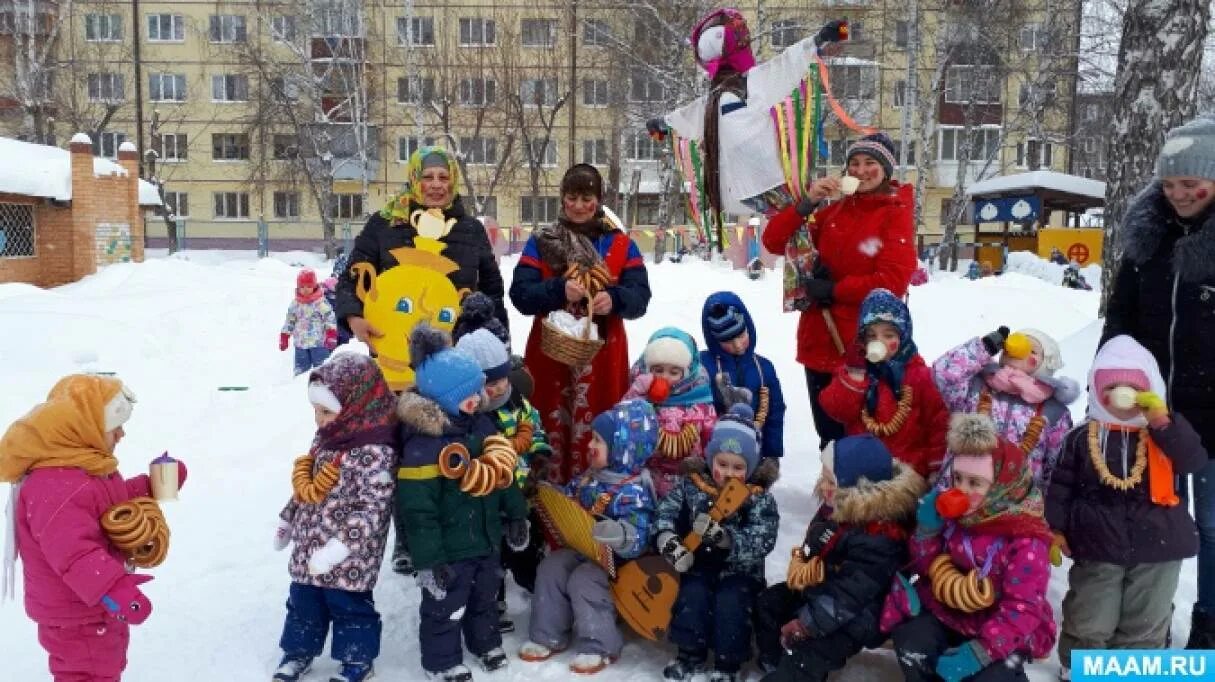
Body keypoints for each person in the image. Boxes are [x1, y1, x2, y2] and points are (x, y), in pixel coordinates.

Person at [1102, 114, 1215, 647]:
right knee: (1159, 526)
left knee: (1214, 528)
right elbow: (1121, 313)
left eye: (1191, 183)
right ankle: (1151, 629)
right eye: (1169, 184)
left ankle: (1210, 630)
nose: (1179, 195)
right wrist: (1113, 367)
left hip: (1214, 416)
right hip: (1154, 412)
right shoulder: (1148, 241)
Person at [0, 375, 188, 682]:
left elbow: (106, 506)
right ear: (84, 428)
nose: (122, 434)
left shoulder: (79, 470)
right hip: (78, 613)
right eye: (116, 427)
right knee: (89, 674)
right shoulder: (56, 485)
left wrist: (152, 485)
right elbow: (74, 552)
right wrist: (116, 590)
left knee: (104, 668)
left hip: (89, 606)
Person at [1047, 335, 1206, 680]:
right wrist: (1056, 529)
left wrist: (1162, 422)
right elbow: (1060, 487)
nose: (1122, 395)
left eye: (1133, 387)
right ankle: (1081, 667)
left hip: (1158, 545)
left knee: (1147, 615)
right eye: (1112, 386)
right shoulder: (1082, 436)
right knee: (1091, 611)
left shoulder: (1163, 432)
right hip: (1096, 544)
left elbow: (1193, 460)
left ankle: (1134, 671)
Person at [760, 132, 917, 452]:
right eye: (854, 163)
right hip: (819, 339)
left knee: (863, 432)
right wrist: (807, 202)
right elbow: (774, 242)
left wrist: (836, 290)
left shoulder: (895, 213)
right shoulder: (832, 213)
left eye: (870, 163)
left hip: (864, 345)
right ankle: (834, 494)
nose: (860, 170)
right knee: (829, 433)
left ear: (886, 170)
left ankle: (864, 498)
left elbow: (893, 280)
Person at [396, 325, 530, 682]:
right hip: (449, 547)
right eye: (470, 394)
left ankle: (483, 642)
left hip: (484, 537)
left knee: (485, 595)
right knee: (445, 606)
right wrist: (428, 560)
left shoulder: (480, 425)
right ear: (444, 399)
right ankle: (441, 662)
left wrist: (516, 515)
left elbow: (501, 473)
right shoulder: (424, 445)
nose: (480, 399)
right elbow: (418, 511)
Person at [881, 414, 1056, 682]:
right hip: (950, 612)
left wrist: (981, 652)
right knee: (912, 642)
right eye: (957, 478)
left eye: (974, 483)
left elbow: (1022, 608)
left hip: (1002, 625)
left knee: (995, 677)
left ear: (1001, 486)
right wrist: (927, 531)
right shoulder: (956, 518)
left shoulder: (1026, 539)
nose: (961, 490)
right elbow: (926, 566)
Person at [509, 164, 651, 483]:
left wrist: (614, 299)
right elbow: (520, 294)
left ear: (598, 200)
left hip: (602, 358)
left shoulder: (620, 245)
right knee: (547, 423)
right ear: (562, 200)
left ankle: (595, 501)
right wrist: (558, 289)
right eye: (571, 197)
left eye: (587, 197)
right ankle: (544, 503)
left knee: (601, 425)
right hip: (550, 357)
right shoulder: (543, 242)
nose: (578, 205)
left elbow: (640, 297)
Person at [271, 354, 398, 682]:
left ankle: (357, 659)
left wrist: (339, 548)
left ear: (358, 406)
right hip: (308, 545)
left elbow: (373, 509)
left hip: (349, 555)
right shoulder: (327, 438)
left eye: (325, 411)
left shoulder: (375, 452)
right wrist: (288, 519)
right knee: (303, 603)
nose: (318, 420)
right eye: (315, 410)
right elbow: (307, 485)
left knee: (350, 606)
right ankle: (299, 652)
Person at [755, 435, 924, 681]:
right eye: (823, 476)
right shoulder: (836, 508)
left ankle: (793, 671)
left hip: (858, 616)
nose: (823, 485)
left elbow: (849, 596)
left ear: (857, 489)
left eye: (830, 480)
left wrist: (806, 623)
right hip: (823, 592)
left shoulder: (880, 537)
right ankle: (775, 662)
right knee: (768, 603)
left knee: (810, 654)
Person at [518, 399, 658, 675]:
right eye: (592, 438)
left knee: (585, 578)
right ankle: (548, 633)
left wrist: (620, 534)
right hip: (585, 548)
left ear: (621, 450)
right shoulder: (589, 477)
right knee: (552, 566)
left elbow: (640, 536)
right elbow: (570, 499)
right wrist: (549, 496)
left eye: (598, 441)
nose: (590, 445)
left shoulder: (634, 492)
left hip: (619, 564)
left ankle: (599, 643)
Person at [334, 146, 507, 346]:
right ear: (414, 179)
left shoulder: (471, 229)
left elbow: (492, 290)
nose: (436, 185)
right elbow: (352, 277)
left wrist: (499, 342)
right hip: (394, 345)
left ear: (453, 181)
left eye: (443, 177)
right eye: (428, 177)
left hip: (455, 349)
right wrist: (353, 316)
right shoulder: (385, 223)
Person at [655, 404, 780, 682]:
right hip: (699, 565)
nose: (728, 473)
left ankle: (728, 662)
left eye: (738, 467)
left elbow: (764, 537)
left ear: (751, 466)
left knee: (731, 604)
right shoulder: (692, 485)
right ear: (711, 459)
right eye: (722, 464)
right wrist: (668, 539)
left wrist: (727, 540)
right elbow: (666, 512)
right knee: (693, 596)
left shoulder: (758, 498)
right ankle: (689, 654)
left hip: (741, 572)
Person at [454, 327, 551, 633]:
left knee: (524, 542)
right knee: (491, 550)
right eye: (487, 384)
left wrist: (537, 450)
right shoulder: (470, 416)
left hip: (521, 489)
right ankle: (492, 599)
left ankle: (536, 584)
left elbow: (534, 427)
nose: (495, 390)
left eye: (500, 381)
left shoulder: (517, 403)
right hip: (487, 494)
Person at [819, 288, 949, 480]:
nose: (879, 341)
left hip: (906, 475)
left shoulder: (921, 376)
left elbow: (938, 425)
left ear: (903, 338)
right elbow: (837, 410)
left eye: (888, 335)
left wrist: (935, 470)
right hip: (861, 474)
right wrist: (855, 374)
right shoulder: (856, 373)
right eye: (871, 336)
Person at [933, 327, 1080, 488]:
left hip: (1013, 503)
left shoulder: (1055, 412)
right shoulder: (975, 385)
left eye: (1032, 350)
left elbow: (1055, 468)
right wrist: (985, 347)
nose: (1019, 350)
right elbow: (943, 373)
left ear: (1045, 363)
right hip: (956, 492)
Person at [623, 328, 719, 497]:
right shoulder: (641, 397)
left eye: (673, 372)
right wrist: (637, 393)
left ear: (687, 372)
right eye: (658, 370)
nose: (665, 377)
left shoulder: (699, 400)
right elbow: (622, 421)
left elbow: (711, 437)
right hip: (645, 478)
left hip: (687, 481)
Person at [701, 292, 787, 460]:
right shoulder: (705, 366)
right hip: (716, 454)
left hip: (754, 452)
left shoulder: (763, 368)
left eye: (741, 336)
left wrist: (771, 454)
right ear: (714, 341)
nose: (738, 345)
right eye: (728, 342)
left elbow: (775, 410)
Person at [282, 268, 338, 376]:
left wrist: (331, 334)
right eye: (302, 287)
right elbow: (290, 321)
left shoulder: (320, 302)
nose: (305, 289)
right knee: (301, 371)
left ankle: (324, 386)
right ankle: (298, 387)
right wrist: (285, 335)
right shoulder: (295, 304)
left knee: (323, 371)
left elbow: (329, 318)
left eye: (309, 286)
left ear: (314, 286)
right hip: (301, 344)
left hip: (319, 344)